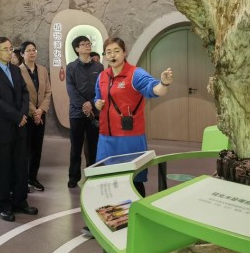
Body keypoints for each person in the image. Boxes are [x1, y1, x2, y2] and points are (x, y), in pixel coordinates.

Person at [94, 37, 173, 197]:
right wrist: (97, 103)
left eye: (116, 51)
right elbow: (97, 97)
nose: (112, 55)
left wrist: (164, 84)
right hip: (106, 138)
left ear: (124, 53)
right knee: (106, 178)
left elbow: (154, 89)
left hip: (129, 137)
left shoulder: (135, 74)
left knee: (133, 180)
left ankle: (135, 209)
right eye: (108, 52)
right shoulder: (102, 76)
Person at [0, 37, 37, 222]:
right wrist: (17, 116)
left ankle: (20, 201)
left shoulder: (15, 69)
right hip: (4, 127)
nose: (9, 52)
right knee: (3, 169)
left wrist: (23, 114)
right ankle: (3, 206)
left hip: (20, 125)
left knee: (21, 165)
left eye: (11, 48)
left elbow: (24, 93)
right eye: (5, 49)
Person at [65, 35, 104, 188]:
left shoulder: (99, 67)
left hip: (95, 113)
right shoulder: (71, 67)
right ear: (77, 49)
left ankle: (92, 174)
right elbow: (71, 90)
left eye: (89, 43)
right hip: (77, 113)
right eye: (84, 44)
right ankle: (73, 176)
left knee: (93, 147)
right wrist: (84, 105)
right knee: (76, 146)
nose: (88, 46)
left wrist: (92, 105)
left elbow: (101, 89)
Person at [19, 41, 52, 192]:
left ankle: (33, 178)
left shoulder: (43, 70)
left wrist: (41, 110)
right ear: (22, 54)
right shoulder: (18, 71)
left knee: (37, 149)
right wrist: (34, 111)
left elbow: (48, 92)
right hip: (26, 116)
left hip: (40, 115)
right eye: (28, 50)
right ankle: (23, 180)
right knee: (25, 149)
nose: (32, 53)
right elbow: (21, 95)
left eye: (34, 50)